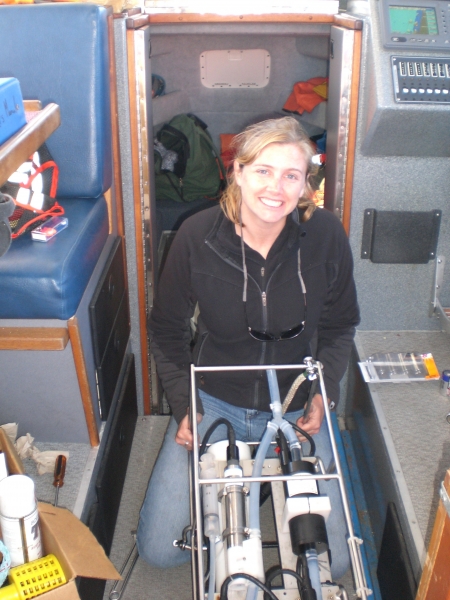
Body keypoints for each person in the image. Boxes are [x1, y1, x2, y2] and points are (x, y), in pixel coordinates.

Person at [137, 117, 360, 580]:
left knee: (335, 562)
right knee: (160, 548)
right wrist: (186, 405)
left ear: (305, 185)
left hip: (298, 407)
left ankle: (256, 481)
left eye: (291, 175)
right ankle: (256, 482)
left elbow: (341, 325)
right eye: (263, 170)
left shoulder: (326, 236)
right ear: (237, 172)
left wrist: (324, 395)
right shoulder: (196, 237)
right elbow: (166, 329)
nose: (276, 187)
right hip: (216, 402)